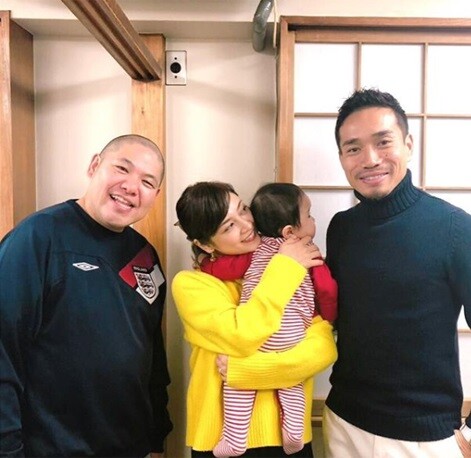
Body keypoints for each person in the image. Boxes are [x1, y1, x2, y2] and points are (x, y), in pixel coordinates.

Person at [0, 134, 173, 458]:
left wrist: (156, 438)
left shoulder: (145, 256)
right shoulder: (38, 237)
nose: (131, 187)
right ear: (95, 166)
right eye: (122, 168)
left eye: (147, 182)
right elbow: (4, 352)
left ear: (156, 195)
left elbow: (153, 360)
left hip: (131, 448)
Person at [323, 88, 471, 457]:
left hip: (424, 436)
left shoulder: (455, 228)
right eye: (353, 148)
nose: (370, 159)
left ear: (408, 144)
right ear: (342, 158)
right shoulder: (341, 228)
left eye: (383, 142)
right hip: (343, 422)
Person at [172, 181, 337, 458]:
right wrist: (285, 266)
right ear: (204, 244)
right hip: (220, 441)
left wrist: (245, 371)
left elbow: (323, 348)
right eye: (228, 226)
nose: (247, 225)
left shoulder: (294, 266)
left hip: (290, 438)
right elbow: (243, 334)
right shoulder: (192, 284)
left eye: (243, 209)